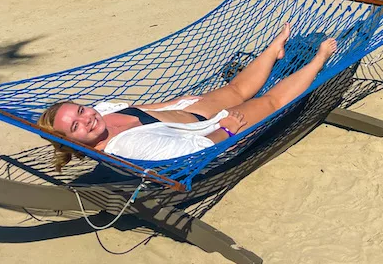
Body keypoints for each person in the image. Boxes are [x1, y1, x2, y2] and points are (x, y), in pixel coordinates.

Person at [37, 25, 337, 167]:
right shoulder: (128, 147)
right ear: (71, 142)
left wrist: (175, 102)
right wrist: (227, 129)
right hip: (208, 130)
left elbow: (137, 107)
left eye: (79, 111)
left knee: (236, 89)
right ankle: (319, 60)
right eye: (75, 127)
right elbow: (191, 151)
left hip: (187, 112)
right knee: (271, 101)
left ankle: (273, 50)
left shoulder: (102, 111)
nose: (86, 119)